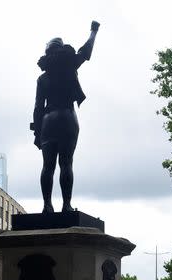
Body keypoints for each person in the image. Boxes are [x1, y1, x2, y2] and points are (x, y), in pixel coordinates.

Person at [31, 21, 100, 213]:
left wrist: (37, 133)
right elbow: (86, 52)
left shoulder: (42, 78)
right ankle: (66, 205)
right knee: (66, 164)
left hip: (48, 121)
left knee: (47, 166)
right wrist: (93, 32)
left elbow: (38, 108)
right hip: (68, 117)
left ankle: (47, 206)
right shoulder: (70, 66)